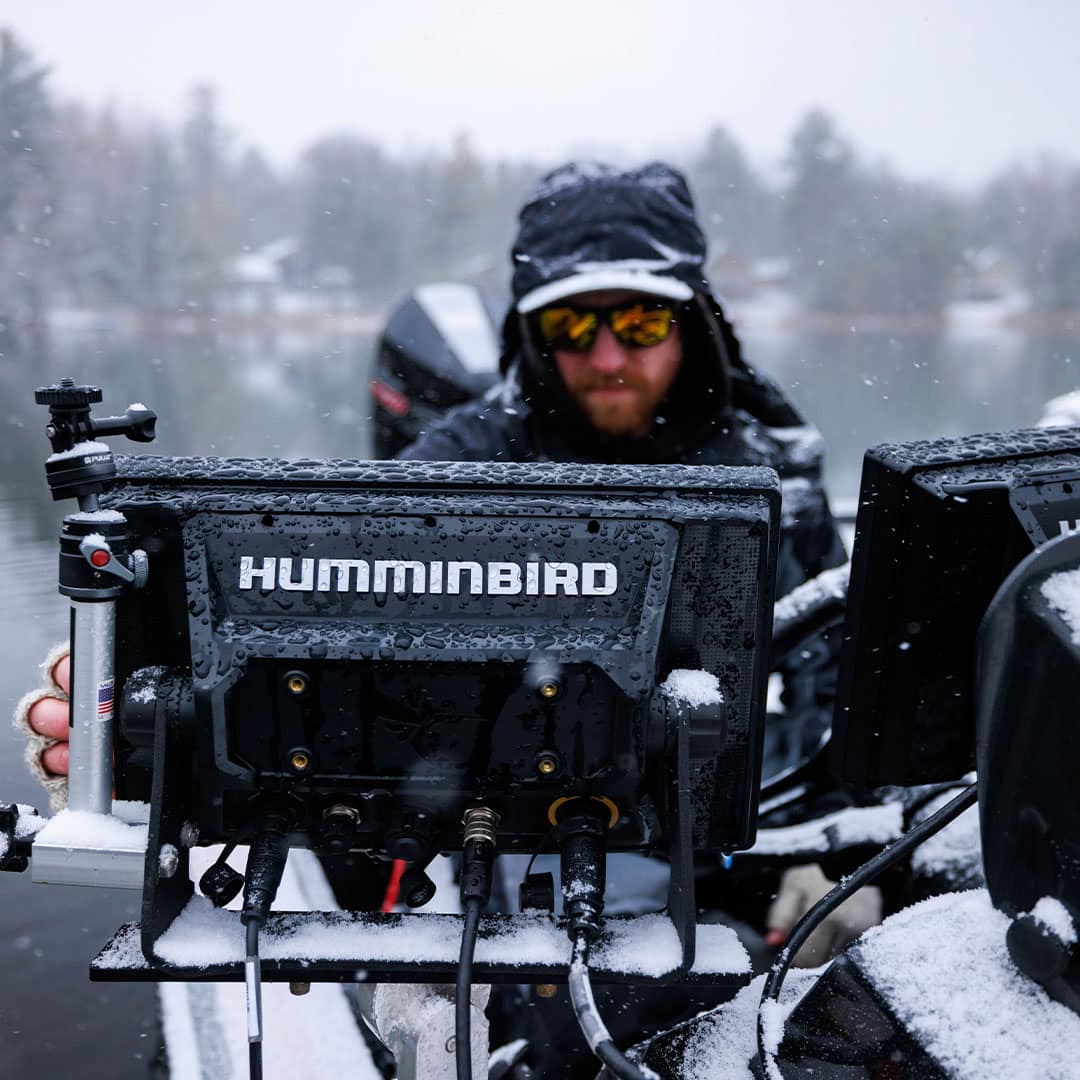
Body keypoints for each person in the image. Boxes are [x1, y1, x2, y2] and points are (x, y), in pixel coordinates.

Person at [17, 161, 875, 1075]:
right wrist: (130, 724)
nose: (608, 356)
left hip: (733, 834)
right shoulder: (460, 460)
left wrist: (814, 830)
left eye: (639, 321)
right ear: (531, 333)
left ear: (694, 320)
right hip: (523, 832)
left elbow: (831, 664)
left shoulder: (772, 463)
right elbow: (328, 615)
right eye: (572, 325)